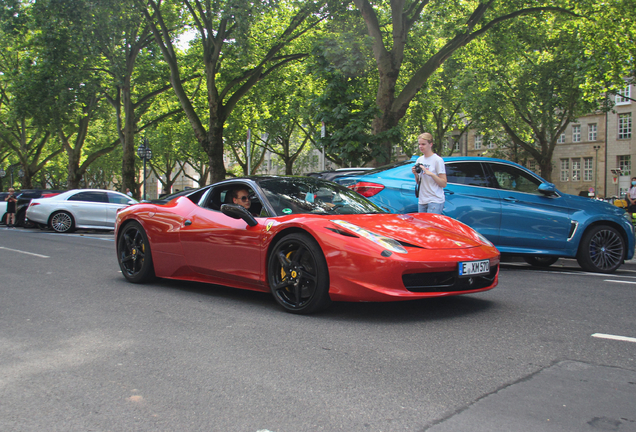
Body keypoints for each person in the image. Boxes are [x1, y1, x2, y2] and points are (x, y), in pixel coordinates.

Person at [411, 132, 447, 214]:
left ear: (430, 144)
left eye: (423, 144)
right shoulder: (419, 160)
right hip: (422, 199)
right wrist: (415, 174)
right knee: (423, 226)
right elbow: (419, 182)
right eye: (419, 144)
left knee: (431, 225)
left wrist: (430, 173)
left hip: (435, 199)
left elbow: (443, 183)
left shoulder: (437, 160)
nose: (421, 146)